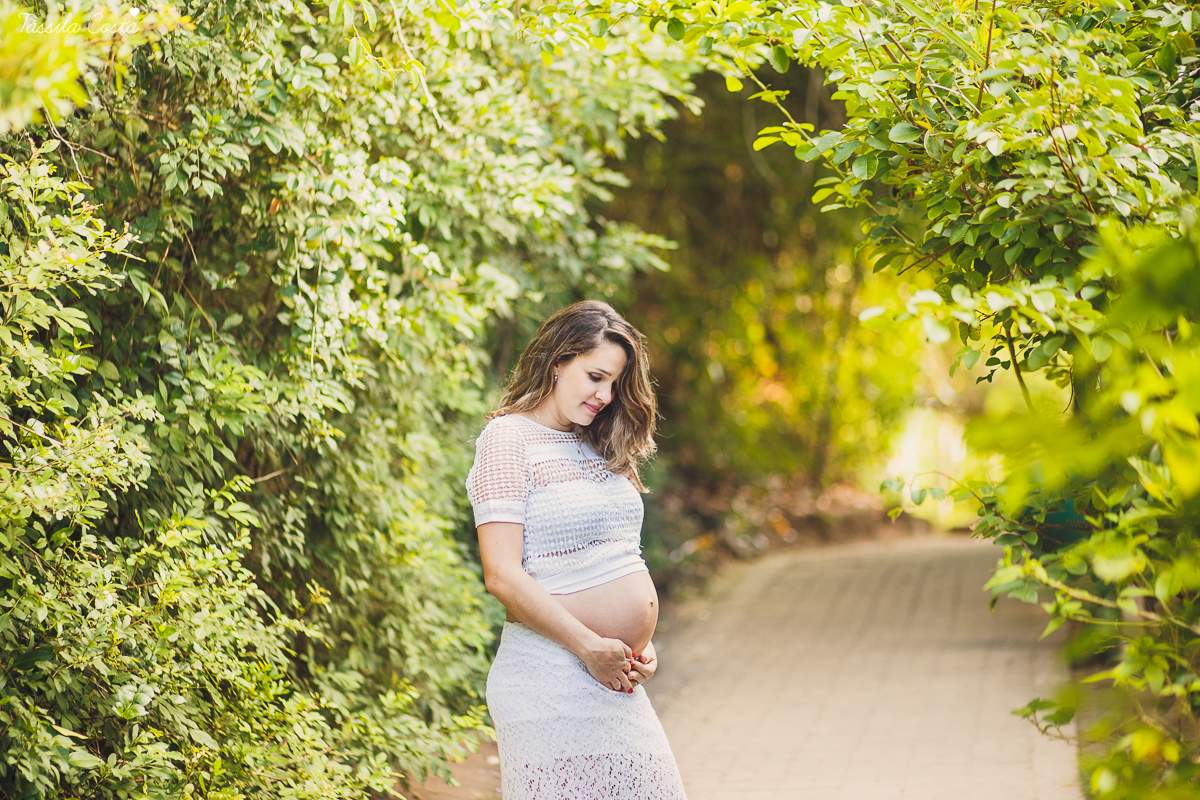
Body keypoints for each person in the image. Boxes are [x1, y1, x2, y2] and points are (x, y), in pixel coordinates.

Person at [466, 300, 688, 799]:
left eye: (614, 383)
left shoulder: (598, 443)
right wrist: (590, 648)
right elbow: (501, 575)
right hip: (549, 679)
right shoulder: (507, 439)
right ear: (558, 359)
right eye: (595, 376)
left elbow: (618, 554)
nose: (605, 395)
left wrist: (641, 645)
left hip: (615, 677)